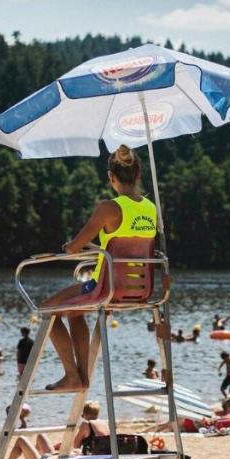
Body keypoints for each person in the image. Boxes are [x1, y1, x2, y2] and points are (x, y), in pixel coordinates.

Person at [40, 145, 156, 392]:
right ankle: (80, 378)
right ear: (138, 175)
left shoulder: (109, 208)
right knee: (74, 312)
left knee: (47, 311)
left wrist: (73, 246)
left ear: (111, 178)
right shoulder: (150, 208)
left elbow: (73, 248)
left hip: (105, 287)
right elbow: (125, 246)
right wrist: (96, 247)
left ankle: (72, 375)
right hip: (139, 289)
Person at [5, 401, 109, 459]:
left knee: (21, 439)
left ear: (85, 414)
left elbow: (75, 445)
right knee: (41, 435)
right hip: (91, 458)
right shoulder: (104, 423)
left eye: (82, 415)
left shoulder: (86, 424)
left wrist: (62, 448)